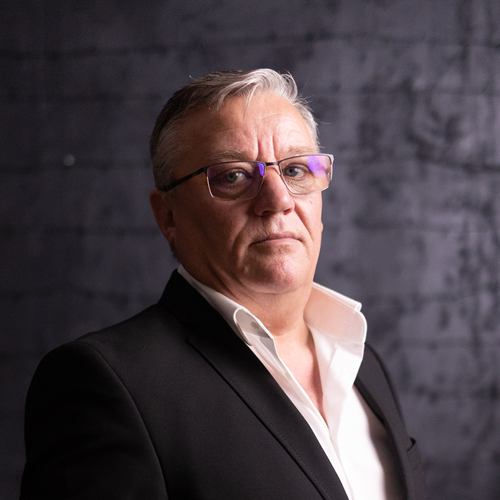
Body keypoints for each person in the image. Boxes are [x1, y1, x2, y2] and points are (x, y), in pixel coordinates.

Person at [20, 69, 427, 500]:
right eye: (233, 176)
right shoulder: (106, 383)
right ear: (168, 216)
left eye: (294, 169)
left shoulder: (360, 360)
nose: (278, 200)